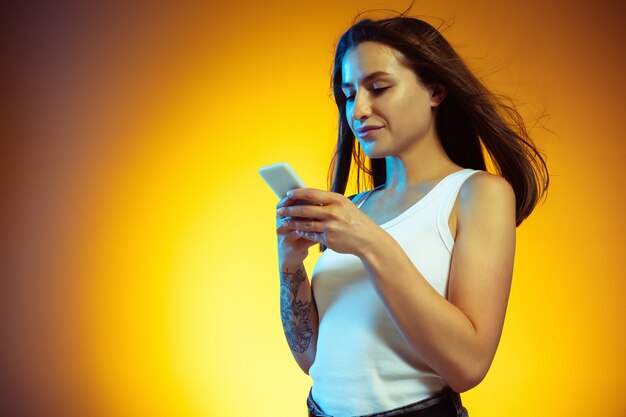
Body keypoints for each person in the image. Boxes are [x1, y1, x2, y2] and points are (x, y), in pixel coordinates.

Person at [275, 14, 549, 417]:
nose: (359, 109)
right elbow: (311, 359)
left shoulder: (477, 194)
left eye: (378, 87)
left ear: (435, 91)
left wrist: (370, 243)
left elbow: (468, 366)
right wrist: (290, 263)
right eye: (349, 94)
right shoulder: (355, 208)